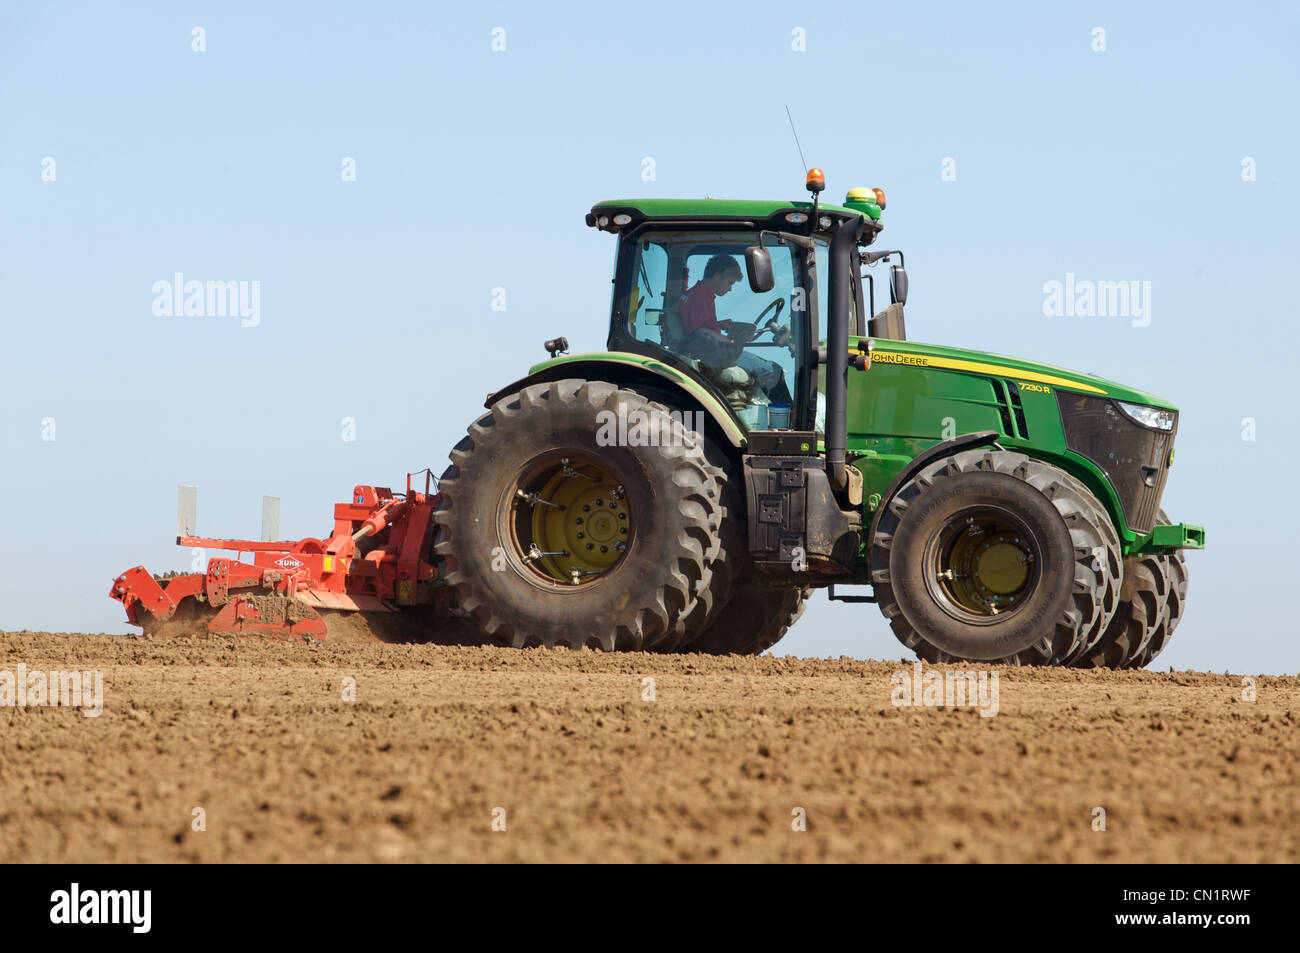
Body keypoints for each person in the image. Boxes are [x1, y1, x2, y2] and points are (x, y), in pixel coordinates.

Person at [677, 255, 791, 403]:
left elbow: (698, 328)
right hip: (712, 355)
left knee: (763, 364)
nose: (730, 289)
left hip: (710, 350)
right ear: (718, 276)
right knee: (772, 371)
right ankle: (788, 417)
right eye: (730, 283)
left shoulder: (694, 293)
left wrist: (718, 325)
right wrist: (735, 340)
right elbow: (701, 334)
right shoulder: (702, 297)